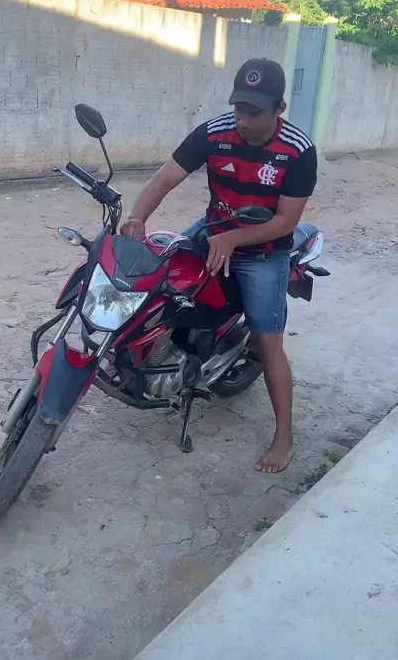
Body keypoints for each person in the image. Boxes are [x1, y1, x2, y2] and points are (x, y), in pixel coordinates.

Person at [120, 58, 317, 473]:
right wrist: (138, 217)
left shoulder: (298, 151)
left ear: (279, 109)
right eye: (238, 108)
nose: (242, 119)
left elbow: (286, 221)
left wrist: (233, 239)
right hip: (213, 231)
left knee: (268, 343)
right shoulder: (213, 133)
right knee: (156, 278)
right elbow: (164, 179)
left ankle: (284, 436)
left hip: (263, 252)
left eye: (254, 112)